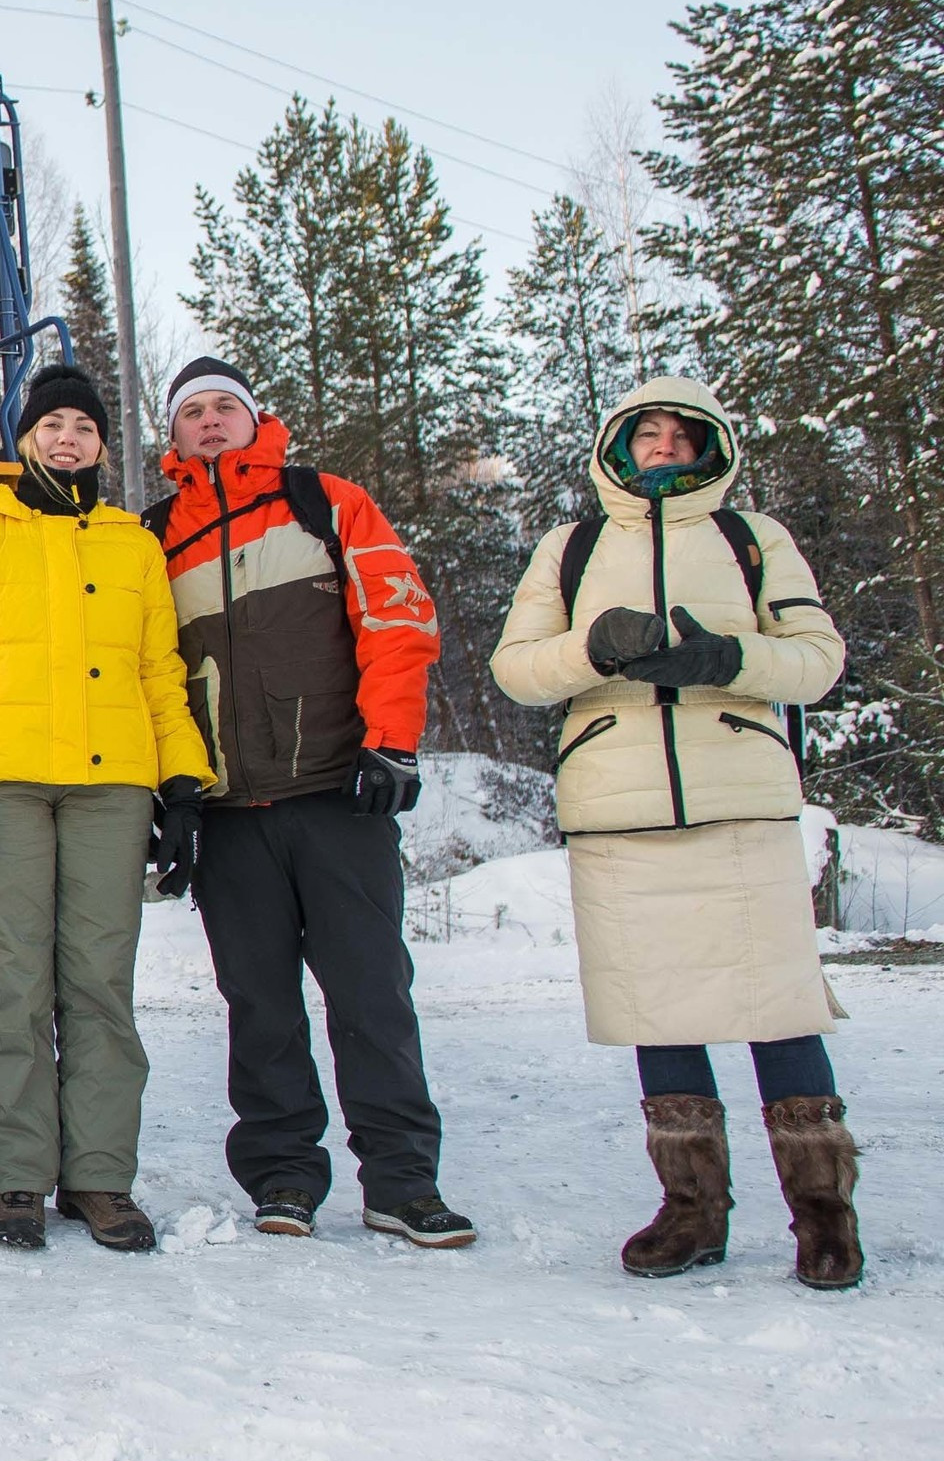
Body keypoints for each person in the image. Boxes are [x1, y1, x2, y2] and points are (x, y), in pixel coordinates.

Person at [491, 378, 859, 1289]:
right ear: (618, 447)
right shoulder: (570, 548)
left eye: (678, 436)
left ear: (708, 449)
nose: (662, 447)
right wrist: (592, 647)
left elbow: (818, 660)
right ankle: (692, 1211)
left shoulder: (752, 540)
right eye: (645, 433)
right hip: (619, 807)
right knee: (660, 1012)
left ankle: (824, 1217)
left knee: (778, 1008)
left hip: (741, 801)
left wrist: (729, 658)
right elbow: (516, 669)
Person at [148, 356, 475, 1248]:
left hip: (338, 793)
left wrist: (392, 743)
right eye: (193, 413)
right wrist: (166, 793)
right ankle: (284, 1176)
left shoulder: (322, 501)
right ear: (171, 434)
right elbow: (148, 677)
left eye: (225, 408)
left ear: (257, 421)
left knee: (371, 994)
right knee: (258, 1003)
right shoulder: (153, 537)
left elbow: (398, 623)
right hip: (226, 812)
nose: (210, 423)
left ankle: (403, 1181)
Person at [0, 366, 213, 1252]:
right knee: (13, 988)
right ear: (24, 438)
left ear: (103, 444)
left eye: (83, 425)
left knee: (100, 988)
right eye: (51, 426)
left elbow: (160, 670)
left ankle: (101, 1179)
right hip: (3, 781)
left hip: (114, 785)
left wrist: (182, 786)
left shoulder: (132, 544)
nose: (67, 438)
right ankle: (15, 1180)